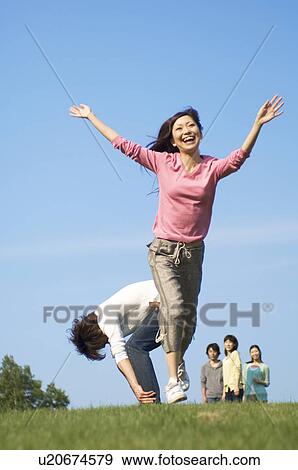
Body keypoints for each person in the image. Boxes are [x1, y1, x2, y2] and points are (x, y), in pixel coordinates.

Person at [69, 95, 284, 404]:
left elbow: (237, 159)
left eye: (191, 125)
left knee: (187, 319)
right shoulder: (163, 162)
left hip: (194, 252)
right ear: (172, 139)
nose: (186, 130)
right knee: (172, 310)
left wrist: (257, 125)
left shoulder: (210, 167)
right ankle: (172, 383)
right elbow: (124, 146)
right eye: (179, 128)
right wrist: (92, 117)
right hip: (163, 252)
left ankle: (177, 365)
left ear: (199, 132)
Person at [69, 280, 162, 404]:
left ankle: (151, 402)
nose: (107, 343)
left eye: (102, 344)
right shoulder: (104, 314)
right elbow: (121, 360)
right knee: (134, 347)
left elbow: (120, 355)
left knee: (134, 348)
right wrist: (135, 386)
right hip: (164, 302)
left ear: (95, 337)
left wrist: (136, 387)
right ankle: (150, 401)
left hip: (167, 302)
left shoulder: (105, 318)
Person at [222, 335, 243, 402]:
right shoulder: (224, 359)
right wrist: (223, 392)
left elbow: (237, 369)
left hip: (235, 387)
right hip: (227, 389)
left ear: (234, 344)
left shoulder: (235, 353)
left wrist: (236, 386)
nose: (228, 344)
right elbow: (225, 376)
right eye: (226, 342)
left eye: (230, 342)